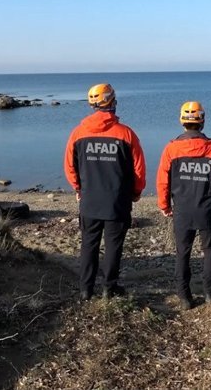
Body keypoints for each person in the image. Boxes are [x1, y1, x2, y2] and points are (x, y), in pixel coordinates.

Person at [64, 83, 146, 301]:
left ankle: (85, 289)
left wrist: (78, 188)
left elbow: (69, 166)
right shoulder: (126, 134)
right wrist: (136, 192)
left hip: (90, 201)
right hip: (117, 203)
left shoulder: (78, 133)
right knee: (113, 247)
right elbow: (139, 169)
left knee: (88, 245)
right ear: (111, 102)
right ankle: (109, 288)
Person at [156, 101, 211, 310]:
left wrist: (164, 205)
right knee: (209, 251)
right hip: (207, 210)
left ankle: (184, 297)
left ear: (182, 121)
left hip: (182, 209)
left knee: (183, 252)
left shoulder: (172, 149)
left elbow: (163, 180)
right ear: (203, 121)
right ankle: (210, 293)